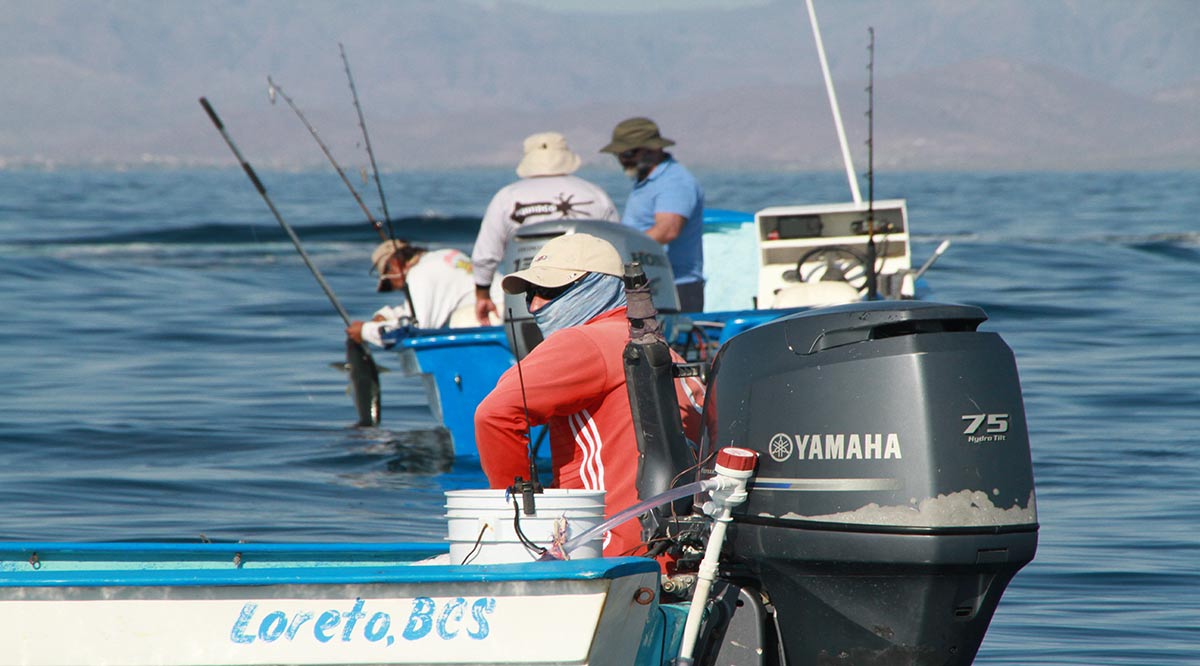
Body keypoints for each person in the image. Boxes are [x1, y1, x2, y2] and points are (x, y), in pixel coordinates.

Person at [474, 233, 705, 561]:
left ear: (596, 287)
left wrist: (517, 515)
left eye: (548, 291)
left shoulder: (583, 341)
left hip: (608, 554)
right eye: (529, 294)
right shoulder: (661, 351)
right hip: (679, 553)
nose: (535, 305)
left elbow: (494, 416)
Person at [472, 131, 619, 325]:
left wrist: (482, 296)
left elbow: (485, 255)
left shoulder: (507, 197)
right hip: (587, 302)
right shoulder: (595, 194)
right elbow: (616, 249)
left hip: (528, 305)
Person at [600, 117, 706, 312]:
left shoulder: (674, 182)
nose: (623, 160)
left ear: (653, 149)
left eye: (629, 153)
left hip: (676, 286)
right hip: (649, 282)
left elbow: (668, 230)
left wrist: (619, 254)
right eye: (619, 154)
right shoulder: (647, 181)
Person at [346, 239, 503, 348]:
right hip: (508, 310)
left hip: (491, 321)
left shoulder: (417, 275)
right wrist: (387, 315)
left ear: (395, 265)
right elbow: (422, 307)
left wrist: (366, 331)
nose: (395, 288)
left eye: (389, 283)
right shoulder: (446, 255)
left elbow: (416, 331)